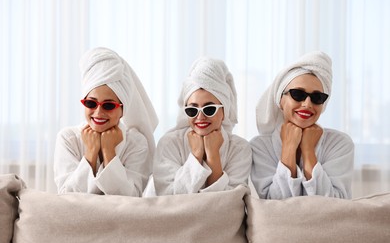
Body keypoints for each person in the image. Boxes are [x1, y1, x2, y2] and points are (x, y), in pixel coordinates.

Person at [54, 47, 158, 196]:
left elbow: (132, 197)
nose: (98, 112)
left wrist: (109, 152)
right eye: (91, 103)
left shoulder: (137, 142)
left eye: (109, 105)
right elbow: (66, 195)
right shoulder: (68, 138)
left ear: (123, 109)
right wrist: (91, 152)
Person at [250, 51, 354, 199]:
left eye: (317, 97)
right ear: (280, 100)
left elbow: (335, 203)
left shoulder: (340, 144)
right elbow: (272, 203)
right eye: (298, 94)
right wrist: (288, 148)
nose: (307, 104)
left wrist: (308, 150)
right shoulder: (260, 147)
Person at [152, 57, 252, 195]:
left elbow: (231, 202)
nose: (200, 117)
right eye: (192, 110)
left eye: (209, 109)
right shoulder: (169, 143)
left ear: (224, 111)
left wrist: (213, 156)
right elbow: (168, 198)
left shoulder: (240, 149)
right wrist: (196, 155)